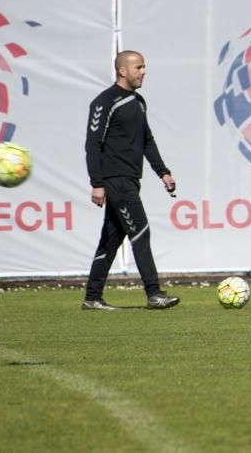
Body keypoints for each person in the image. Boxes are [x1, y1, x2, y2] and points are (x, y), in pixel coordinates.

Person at [82, 50, 181, 310]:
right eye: (138, 67)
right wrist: (97, 183)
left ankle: (92, 298)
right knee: (141, 230)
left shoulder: (138, 102)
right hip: (116, 181)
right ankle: (153, 293)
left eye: (144, 66)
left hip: (130, 180)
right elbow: (93, 144)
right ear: (122, 70)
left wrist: (163, 172)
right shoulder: (105, 102)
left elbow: (147, 140)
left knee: (111, 240)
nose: (143, 71)